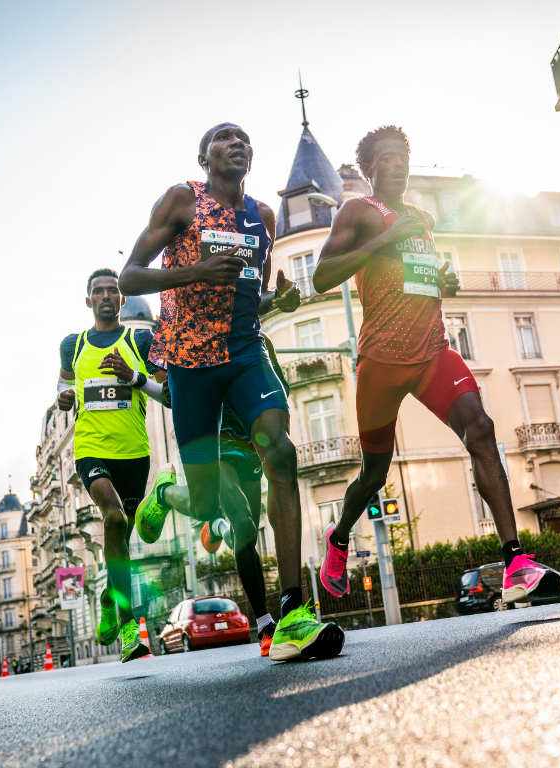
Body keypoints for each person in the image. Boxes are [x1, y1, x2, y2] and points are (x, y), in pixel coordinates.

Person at [119, 122, 344, 661]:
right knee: (204, 505)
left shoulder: (262, 218)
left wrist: (281, 304)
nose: (237, 143)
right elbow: (129, 277)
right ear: (204, 157)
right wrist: (194, 270)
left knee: (281, 454)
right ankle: (166, 494)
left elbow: (252, 295)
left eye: (244, 138)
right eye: (224, 138)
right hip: (191, 367)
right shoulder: (181, 202)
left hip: (244, 353)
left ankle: (292, 611)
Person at [312, 125, 546, 604]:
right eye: (388, 158)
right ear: (368, 169)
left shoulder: (421, 217)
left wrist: (442, 279)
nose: (399, 164)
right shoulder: (358, 210)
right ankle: (338, 540)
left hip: (433, 350)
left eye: (404, 156)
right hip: (381, 359)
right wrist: (384, 240)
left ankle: (516, 562)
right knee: (374, 474)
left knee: (480, 428)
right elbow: (321, 277)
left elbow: (415, 277)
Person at [137, 335, 288, 656]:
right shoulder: (189, 334)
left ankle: (208, 520)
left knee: (246, 539)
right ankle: (266, 626)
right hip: (215, 443)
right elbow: (168, 390)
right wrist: (140, 379)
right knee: (245, 526)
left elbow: (279, 393)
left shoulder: (258, 339)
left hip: (250, 449)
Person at [56, 268, 169, 663]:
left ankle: (108, 596)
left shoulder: (140, 339)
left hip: (135, 454)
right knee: (115, 521)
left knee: (122, 544)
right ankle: (128, 629)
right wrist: (63, 400)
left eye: (113, 290)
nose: (106, 296)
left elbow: (167, 394)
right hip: (92, 451)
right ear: (88, 300)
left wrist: (133, 376)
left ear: (122, 299)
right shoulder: (73, 344)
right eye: (98, 291)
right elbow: (63, 385)